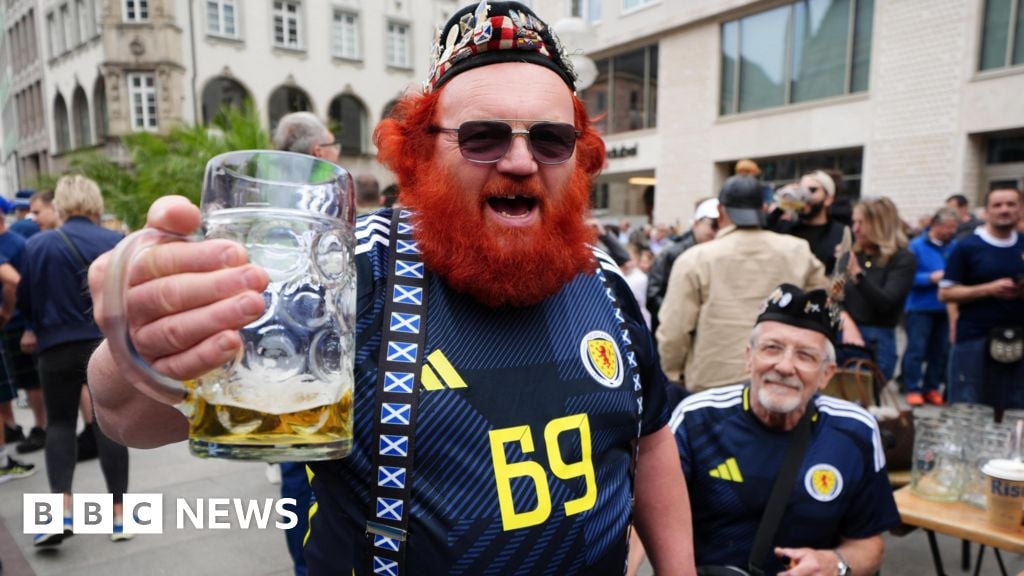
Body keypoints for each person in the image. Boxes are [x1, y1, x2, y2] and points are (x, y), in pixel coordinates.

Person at [85, 2, 694, 574]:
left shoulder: (606, 280)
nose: (519, 160)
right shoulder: (345, 271)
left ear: (578, 159)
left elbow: (651, 435)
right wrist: (138, 347)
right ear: (423, 153)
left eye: (550, 139)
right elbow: (128, 418)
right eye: (483, 137)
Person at [672, 284, 900, 575]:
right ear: (748, 357)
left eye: (805, 356)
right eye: (772, 348)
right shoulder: (697, 420)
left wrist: (834, 564)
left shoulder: (854, 431)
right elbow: (646, 521)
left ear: (825, 374)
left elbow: (869, 546)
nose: (785, 366)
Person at [19, 175, 131, 546]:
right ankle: (119, 517)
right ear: (96, 204)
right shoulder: (115, 242)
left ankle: (61, 513)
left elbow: (26, 301)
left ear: (61, 206)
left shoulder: (38, 245)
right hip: (105, 346)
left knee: (61, 425)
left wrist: (36, 326)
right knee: (107, 425)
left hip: (55, 346)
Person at [657, 175, 827, 392]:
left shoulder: (695, 259)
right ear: (764, 208)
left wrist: (672, 374)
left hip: (713, 380)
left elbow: (675, 328)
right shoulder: (797, 251)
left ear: (720, 211)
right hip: (780, 378)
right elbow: (821, 310)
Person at [269, 110, 343, 576]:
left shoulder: (272, 201)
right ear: (319, 153)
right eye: (333, 144)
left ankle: (303, 564)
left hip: (279, 356)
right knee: (324, 475)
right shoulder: (328, 200)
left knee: (294, 471)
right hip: (322, 356)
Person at [939, 188, 1024, 415]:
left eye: (1010, 204)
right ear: (986, 211)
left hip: (1018, 339)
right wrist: (989, 289)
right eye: (997, 205)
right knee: (969, 408)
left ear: (1020, 209)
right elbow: (946, 293)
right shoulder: (967, 246)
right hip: (974, 339)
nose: (1004, 210)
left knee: (1015, 411)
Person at [841, 197, 916, 382]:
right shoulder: (855, 254)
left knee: (863, 403)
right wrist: (846, 322)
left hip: (875, 342)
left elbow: (886, 303)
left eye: (861, 223)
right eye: (854, 222)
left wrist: (858, 275)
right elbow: (835, 297)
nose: (855, 229)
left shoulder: (902, 259)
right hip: (844, 336)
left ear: (880, 225)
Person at [0, 198, 47, 455]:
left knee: (31, 381)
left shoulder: (17, 243)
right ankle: (10, 425)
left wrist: (25, 321)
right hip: (8, 323)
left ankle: (41, 425)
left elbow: (21, 283)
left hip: (18, 321)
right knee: (7, 383)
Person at [901, 207, 958, 406]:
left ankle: (931, 388)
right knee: (917, 349)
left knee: (940, 351)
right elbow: (905, 276)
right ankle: (912, 388)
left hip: (946, 308)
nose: (952, 231)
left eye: (954, 228)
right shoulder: (915, 246)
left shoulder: (955, 247)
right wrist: (929, 278)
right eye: (948, 227)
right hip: (920, 307)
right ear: (935, 225)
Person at [646, 197, 718, 334]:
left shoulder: (720, 253)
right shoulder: (673, 253)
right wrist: (678, 318)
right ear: (696, 224)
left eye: (722, 225)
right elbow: (653, 295)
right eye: (713, 224)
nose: (717, 231)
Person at [770, 171, 849, 275]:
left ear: (828, 199)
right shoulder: (787, 228)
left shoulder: (839, 232)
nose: (805, 195)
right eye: (801, 190)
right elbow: (763, 234)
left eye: (812, 190)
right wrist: (782, 204)